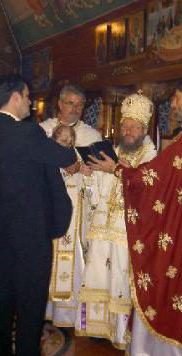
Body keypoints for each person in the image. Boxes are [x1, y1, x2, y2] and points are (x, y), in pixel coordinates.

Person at [88, 79, 182, 355]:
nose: (172, 104)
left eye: (176, 98)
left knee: (172, 285)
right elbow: (167, 180)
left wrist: (118, 170)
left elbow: (155, 181)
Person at [0, 74, 77, 356]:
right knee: (31, 300)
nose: (32, 103)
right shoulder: (27, 132)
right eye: (28, 96)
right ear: (15, 97)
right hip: (31, 231)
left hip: (3, 226)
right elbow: (65, 158)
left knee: (2, 292)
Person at [75, 92, 157, 350]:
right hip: (103, 226)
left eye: (133, 127)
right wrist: (91, 173)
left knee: (121, 281)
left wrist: (117, 171)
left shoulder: (150, 155)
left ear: (143, 129)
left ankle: (122, 334)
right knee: (99, 275)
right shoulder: (114, 149)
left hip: (127, 230)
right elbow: (97, 189)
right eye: (125, 126)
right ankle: (99, 327)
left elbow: (149, 189)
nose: (128, 130)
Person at [41, 84, 102, 328]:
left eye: (79, 104)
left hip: (78, 207)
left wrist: (88, 172)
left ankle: (70, 314)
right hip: (47, 204)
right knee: (47, 255)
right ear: (59, 103)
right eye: (69, 103)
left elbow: (100, 174)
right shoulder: (43, 131)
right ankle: (43, 307)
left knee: (75, 257)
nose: (74, 108)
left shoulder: (92, 136)